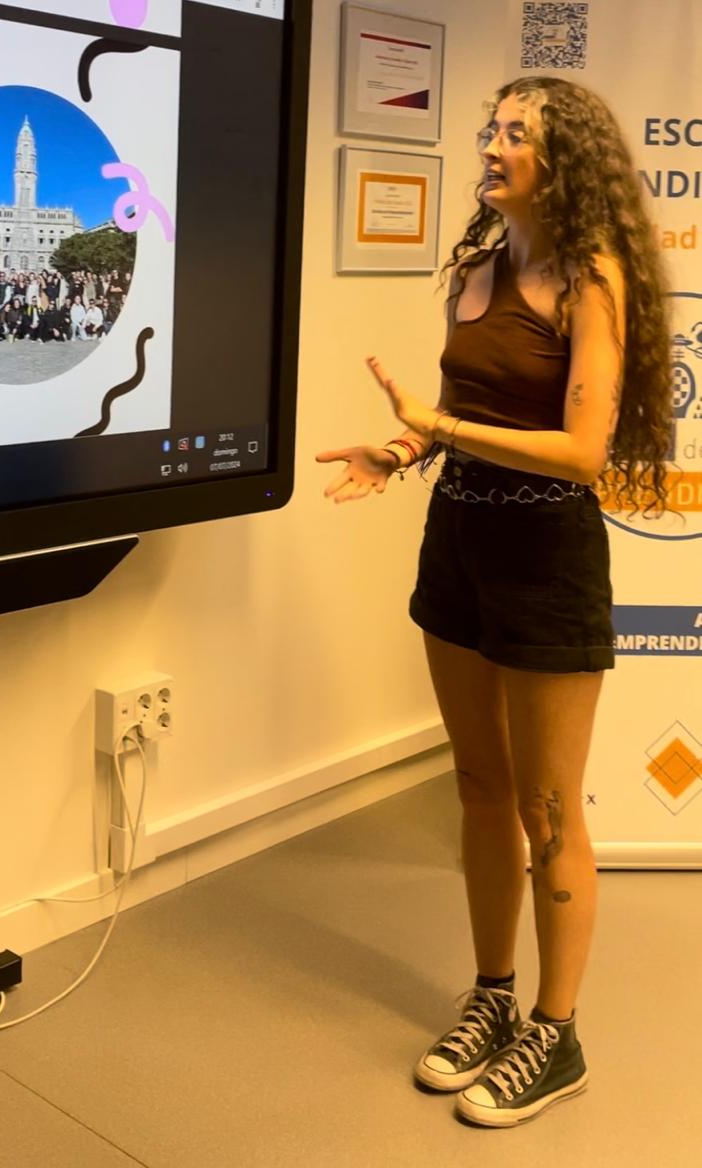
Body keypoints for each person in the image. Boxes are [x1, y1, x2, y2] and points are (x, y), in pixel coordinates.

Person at [316, 78, 671, 1128]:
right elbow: (455, 411)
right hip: (458, 545)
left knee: (547, 812)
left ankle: (556, 1037)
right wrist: (400, 448)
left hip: (546, 556)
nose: (491, 143)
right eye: (492, 126)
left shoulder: (592, 279)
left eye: (517, 132)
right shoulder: (474, 270)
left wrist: (441, 429)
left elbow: (580, 451)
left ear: (562, 164)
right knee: (478, 786)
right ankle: (492, 996)